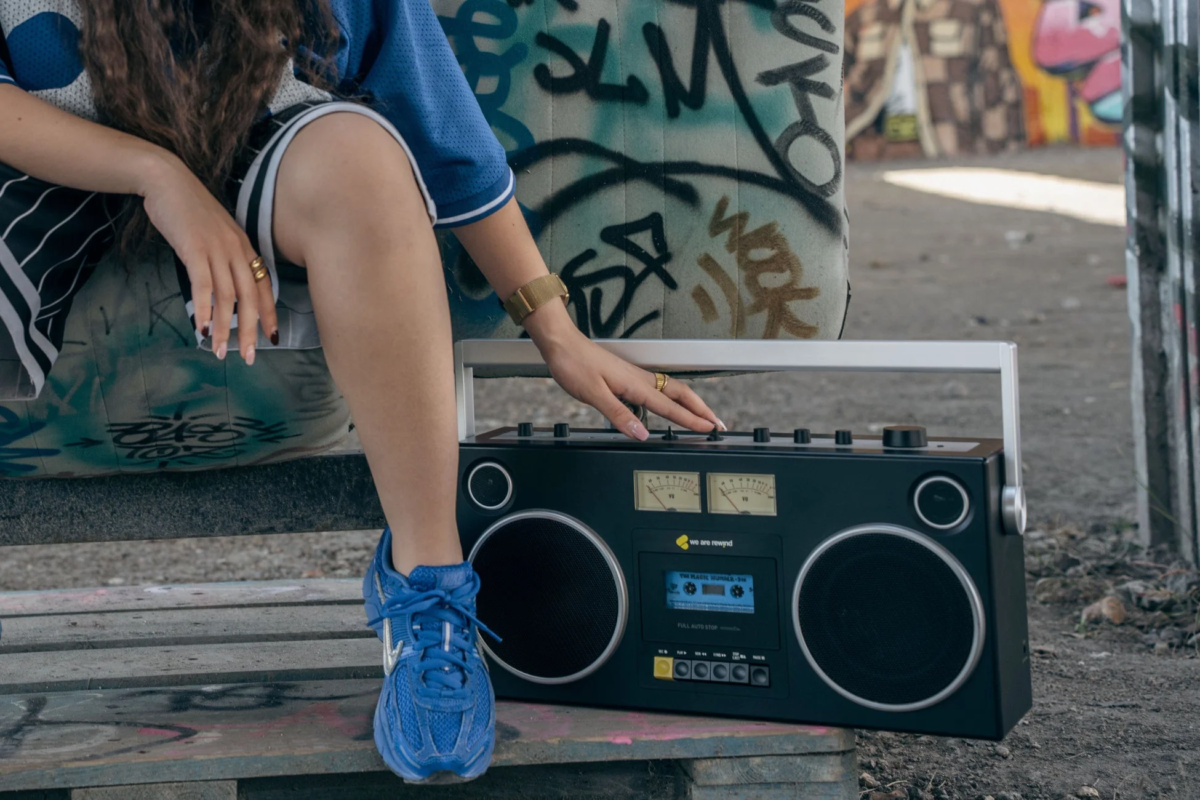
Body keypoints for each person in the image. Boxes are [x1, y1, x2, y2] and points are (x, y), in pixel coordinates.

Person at [0, 0, 723, 784]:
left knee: (360, 157)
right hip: (45, 155)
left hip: (267, 163)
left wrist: (554, 328)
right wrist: (156, 176)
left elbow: (442, 131)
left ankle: (428, 587)